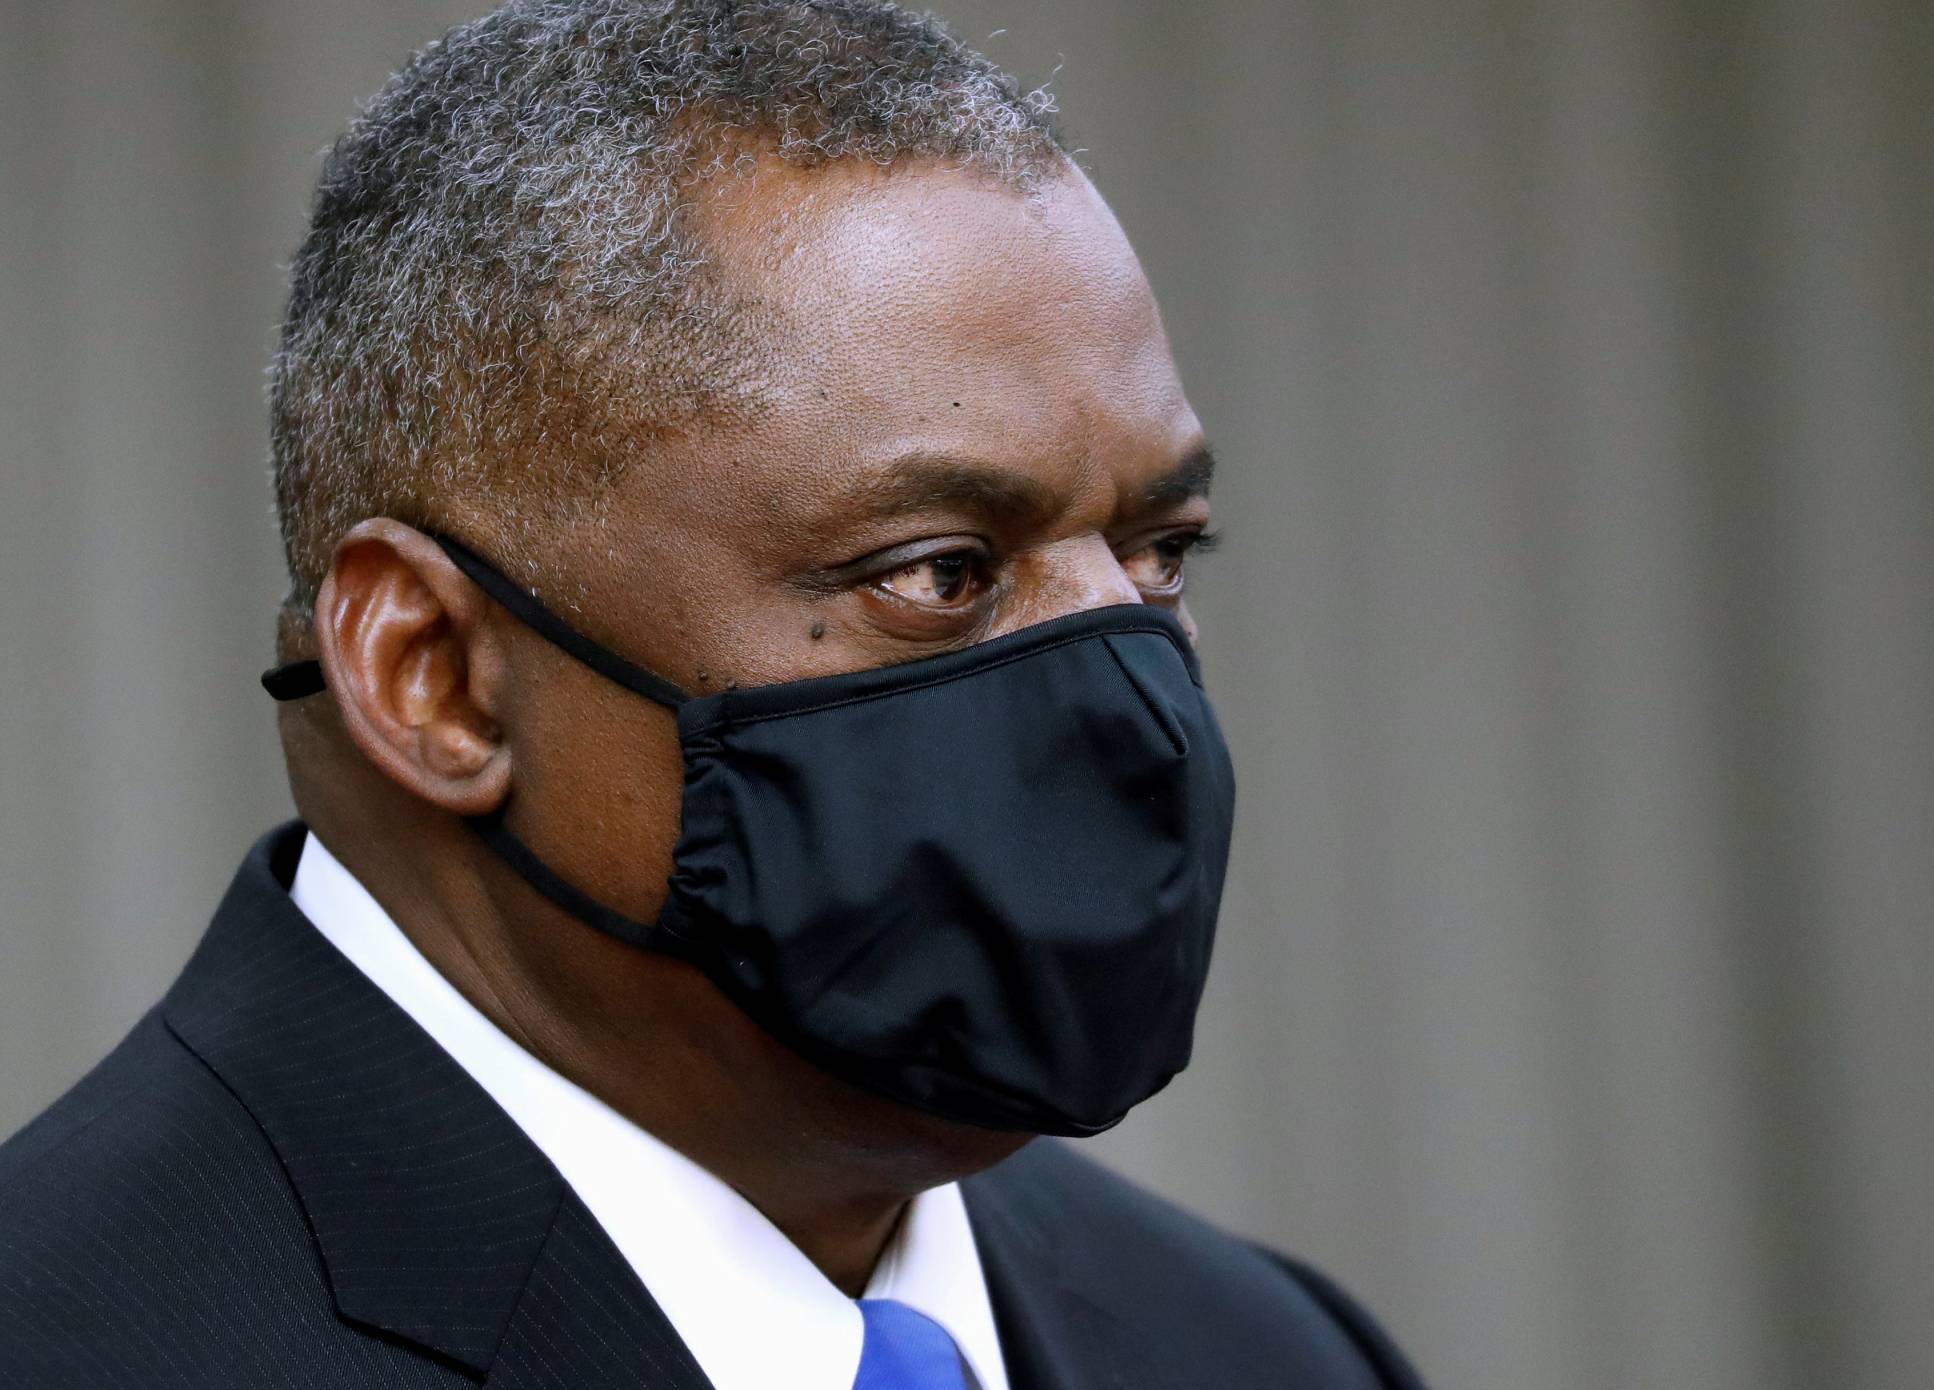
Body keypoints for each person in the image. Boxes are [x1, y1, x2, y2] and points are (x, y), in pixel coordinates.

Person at [0, 3, 1425, 1386]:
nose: (1120, 698)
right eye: (939, 571)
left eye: (1158, 554)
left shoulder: (1272, 1351)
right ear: (434, 674)